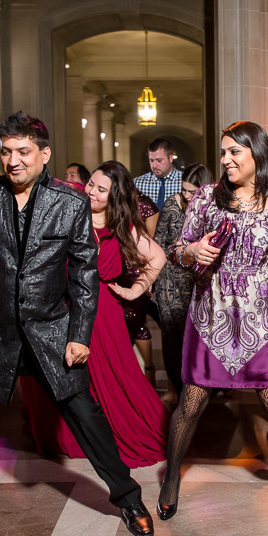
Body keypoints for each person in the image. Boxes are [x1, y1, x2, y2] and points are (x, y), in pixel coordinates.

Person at [0, 111, 153, 536]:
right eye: (7, 152)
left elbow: (85, 276)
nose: (14, 161)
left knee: (88, 419)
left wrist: (79, 336)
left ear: (43, 154)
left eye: (24, 152)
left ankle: (129, 498)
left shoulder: (69, 203)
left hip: (51, 331)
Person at [156, 121, 268, 522]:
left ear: (257, 155)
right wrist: (193, 250)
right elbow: (175, 251)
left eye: (235, 152)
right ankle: (171, 478)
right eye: (224, 152)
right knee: (191, 402)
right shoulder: (206, 201)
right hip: (209, 318)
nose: (226, 159)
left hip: (260, 322)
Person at [21, 160, 169, 467]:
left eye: (102, 190)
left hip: (103, 312)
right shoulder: (70, 209)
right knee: (65, 375)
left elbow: (157, 257)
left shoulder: (122, 227)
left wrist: (134, 290)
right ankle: (73, 434)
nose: (92, 192)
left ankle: (114, 433)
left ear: (115, 197)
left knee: (116, 380)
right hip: (61, 309)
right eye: (92, 185)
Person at [153, 163, 212, 403]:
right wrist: (151, 278)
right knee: (170, 336)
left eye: (192, 191)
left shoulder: (213, 208)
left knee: (198, 337)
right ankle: (173, 387)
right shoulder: (171, 204)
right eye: (184, 190)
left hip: (199, 282)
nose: (187, 196)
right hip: (170, 280)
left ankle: (200, 387)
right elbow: (158, 240)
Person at [125, 191, 159, 379]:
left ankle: (149, 370)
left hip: (137, 266)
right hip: (114, 265)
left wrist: (147, 276)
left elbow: (151, 239)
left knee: (136, 320)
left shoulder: (144, 203)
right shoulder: (107, 202)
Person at [135, 138, 182, 210]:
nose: (154, 165)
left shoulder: (184, 182)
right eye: (151, 160)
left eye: (159, 160)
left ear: (171, 158)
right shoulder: (137, 183)